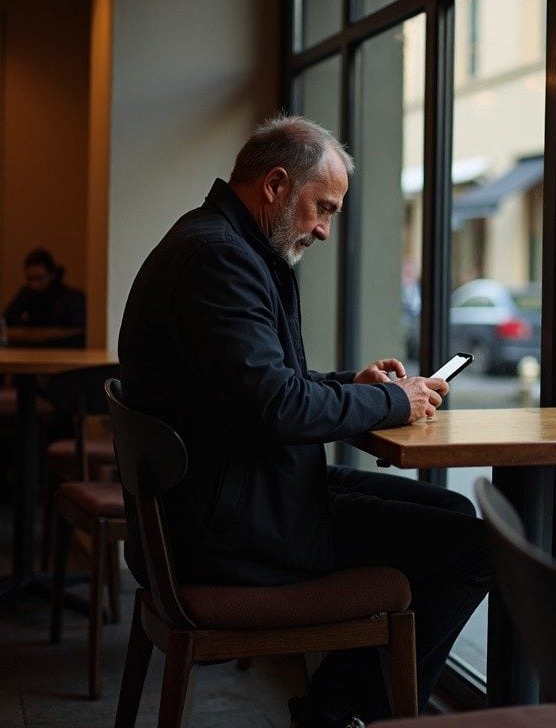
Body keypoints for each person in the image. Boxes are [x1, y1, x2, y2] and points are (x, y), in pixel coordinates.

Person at [118, 115, 493, 728]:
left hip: (226, 497)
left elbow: (258, 387)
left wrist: (353, 386)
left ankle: (333, 709)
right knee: (475, 549)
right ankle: (345, 715)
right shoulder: (220, 259)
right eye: (322, 208)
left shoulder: (216, 242)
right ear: (273, 185)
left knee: (452, 516)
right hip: (232, 532)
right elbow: (276, 406)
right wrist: (397, 403)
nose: (322, 229)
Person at [3, 247, 86, 329]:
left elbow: (76, 330)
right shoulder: (27, 293)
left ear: (52, 275)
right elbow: (8, 318)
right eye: (30, 279)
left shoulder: (72, 299)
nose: (34, 285)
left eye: (39, 279)